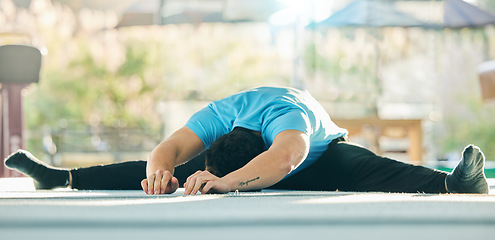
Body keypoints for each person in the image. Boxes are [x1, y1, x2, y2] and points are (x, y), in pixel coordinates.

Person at [4, 86, 489, 195]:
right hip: (254, 157)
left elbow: (280, 162)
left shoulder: (288, 121)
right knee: (167, 173)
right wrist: (159, 174)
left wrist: (225, 184)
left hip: (317, 158)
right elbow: (169, 147)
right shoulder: (219, 116)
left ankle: (457, 184)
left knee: (363, 164)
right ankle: (58, 176)